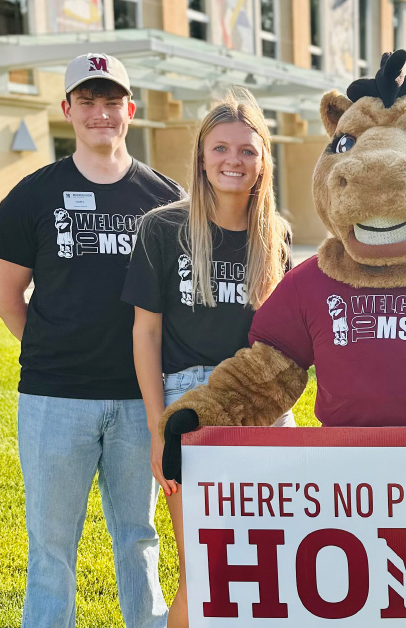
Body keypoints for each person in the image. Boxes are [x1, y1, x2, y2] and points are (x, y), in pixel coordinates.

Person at [0, 53, 183, 628]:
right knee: (51, 550)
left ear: (129, 109)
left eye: (111, 102)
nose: (101, 114)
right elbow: (5, 295)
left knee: (139, 538)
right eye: (88, 102)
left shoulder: (165, 198)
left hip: (138, 401)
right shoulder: (31, 196)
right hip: (54, 400)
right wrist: (53, 351)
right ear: (68, 109)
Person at [121, 88, 294, 628]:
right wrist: (158, 427)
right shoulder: (164, 228)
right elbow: (145, 333)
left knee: (270, 558)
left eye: (246, 150)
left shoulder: (276, 235)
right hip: (188, 401)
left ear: (264, 159)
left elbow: (287, 337)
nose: (233, 161)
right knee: (205, 560)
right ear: (201, 156)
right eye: (220, 149)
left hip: (263, 404)